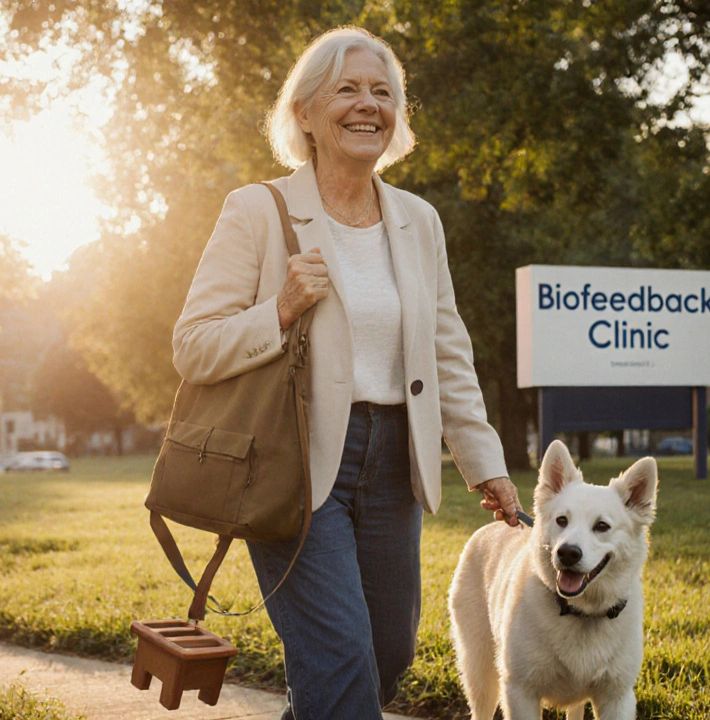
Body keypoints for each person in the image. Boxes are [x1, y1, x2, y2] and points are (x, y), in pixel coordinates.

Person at [172, 26, 522, 720]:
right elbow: (193, 345)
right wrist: (279, 309)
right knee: (339, 661)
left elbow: (446, 350)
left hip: (395, 463)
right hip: (293, 463)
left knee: (385, 655)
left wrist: (485, 462)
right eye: (348, 90)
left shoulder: (419, 221)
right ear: (304, 111)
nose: (369, 104)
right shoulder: (257, 210)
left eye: (383, 92)